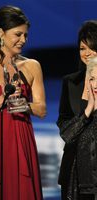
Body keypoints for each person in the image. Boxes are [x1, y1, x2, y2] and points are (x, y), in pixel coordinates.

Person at [0, 5, 46, 200]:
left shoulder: (32, 66)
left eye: (25, 35)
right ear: (1, 33)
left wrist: (22, 103)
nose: (23, 40)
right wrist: (3, 100)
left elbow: (41, 110)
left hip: (21, 140)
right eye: (18, 34)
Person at [57, 20, 97, 200]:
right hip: (75, 171)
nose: (87, 53)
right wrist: (87, 111)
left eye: (92, 48)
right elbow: (66, 132)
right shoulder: (70, 82)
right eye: (82, 48)